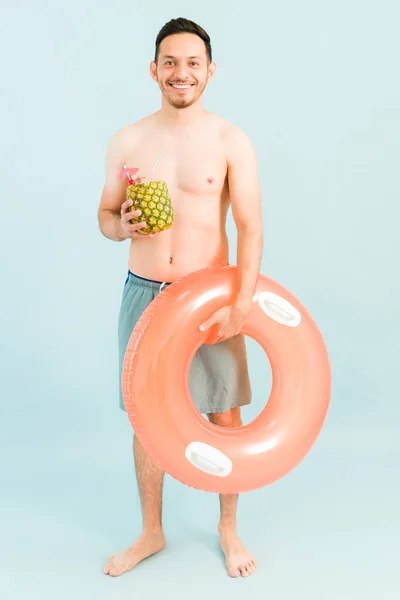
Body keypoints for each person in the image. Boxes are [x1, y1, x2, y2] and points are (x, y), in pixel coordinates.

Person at [98, 17, 263, 578]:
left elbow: (251, 227)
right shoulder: (129, 140)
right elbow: (104, 216)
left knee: (226, 409)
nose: (181, 72)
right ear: (154, 70)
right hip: (144, 293)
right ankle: (151, 531)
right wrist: (120, 225)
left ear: (210, 71)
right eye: (170, 62)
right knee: (146, 416)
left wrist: (241, 301)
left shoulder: (230, 140)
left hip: (209, 291)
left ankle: (228, 529)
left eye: (193, 63)